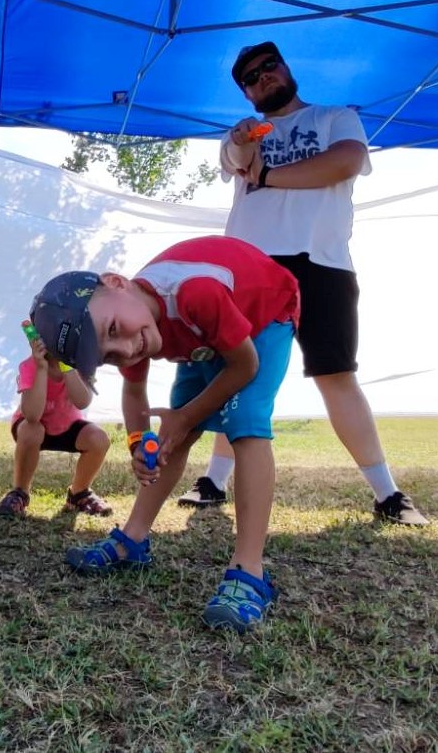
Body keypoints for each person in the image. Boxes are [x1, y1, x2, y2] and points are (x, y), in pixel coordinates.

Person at [180, 40, 428, 526]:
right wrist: (243, 142)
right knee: (240, 371)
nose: (262, 77)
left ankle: (388, 494)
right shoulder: (240, 135)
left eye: (268, 66)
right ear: (247, 95)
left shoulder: (336, 117)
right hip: (253, 266)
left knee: (336, 376)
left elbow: (345, 162)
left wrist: (268, 173)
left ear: (286, 67)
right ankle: (213, 480)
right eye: (250, 78)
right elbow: (236, 158)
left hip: (324, 263)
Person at [31, 236, 300, 633]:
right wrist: (139, 443)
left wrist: (186, 416)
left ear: (117, 282)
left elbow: (244, 366)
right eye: (107, 355)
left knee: (246, 422)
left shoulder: (194, 293)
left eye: (115, 329)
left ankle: (250, 573)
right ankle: (133, 539)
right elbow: (134, 391)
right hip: (199, 340)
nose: (125, 349)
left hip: (262, 319)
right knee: (175, 433)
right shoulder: (134, 324)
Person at [0, 328, 113, 519]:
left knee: (99, 439)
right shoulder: (29, 366)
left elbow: (82, 401)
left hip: (67, 426)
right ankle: (19, 492)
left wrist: (67, 366)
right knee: (31, 430)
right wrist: (41, 368)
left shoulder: (80, 366)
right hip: (34, 426)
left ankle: (79, 493)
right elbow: (32, 415)